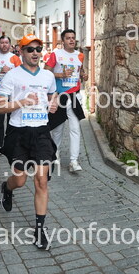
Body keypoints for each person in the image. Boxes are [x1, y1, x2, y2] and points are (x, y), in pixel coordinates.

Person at [0, 34, 58, 250]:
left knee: (41, 180)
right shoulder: (12, 76)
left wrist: (54, 103)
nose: (35, 53)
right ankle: (7, 188)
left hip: (41, 132)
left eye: (38, 49)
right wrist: (22, 102)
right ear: (21, 52)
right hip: (18, 133)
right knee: (20, 180)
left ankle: (40, 230)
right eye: (30, 49)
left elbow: (53, 96)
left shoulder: (48, 76)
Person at [46, 29, 88, 171]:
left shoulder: (80, 55)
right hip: (60, 96)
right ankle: (55, 154)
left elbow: (80, 71)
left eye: (73, 38)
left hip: (75, 96)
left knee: (75, 129)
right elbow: (46, 72)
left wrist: (84, 75)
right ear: (62, 41)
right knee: (57, 129)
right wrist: (60, 75)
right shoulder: (56, 54)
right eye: (68, 38)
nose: (71, 40)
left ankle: (73, 161)